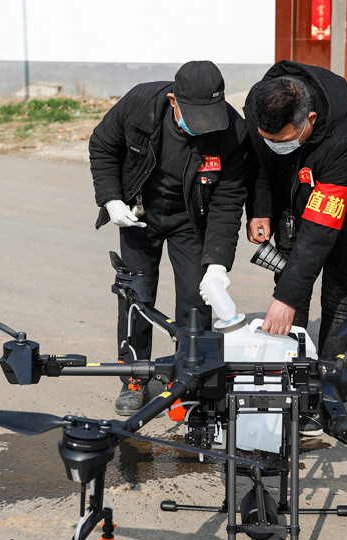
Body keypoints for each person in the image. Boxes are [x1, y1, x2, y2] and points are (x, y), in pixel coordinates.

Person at [243, 61, 347, 434]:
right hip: (294, 206)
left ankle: (324, 395)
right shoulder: (263, 105)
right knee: (291, 293)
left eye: (283, 140)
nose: (273, 145)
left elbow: (320, 229)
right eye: (268, 137)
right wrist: (261, 209)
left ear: (311, 119)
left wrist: (286, 297)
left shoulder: (345, 135)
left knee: (336, 302)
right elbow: (260, 163)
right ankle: (288, 383)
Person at [89, 60, 248, 416]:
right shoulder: (140, 105)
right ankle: (134, 377)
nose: (203, 127)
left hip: (191, 220)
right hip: (138, 213)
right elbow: (102, 146)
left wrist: (218, 262)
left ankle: (190, 377)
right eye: (196, 117)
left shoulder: (232, 131)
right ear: (174, 100)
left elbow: (228, 199)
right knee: (136, 297)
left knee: (197, 297)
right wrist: (112, 199)